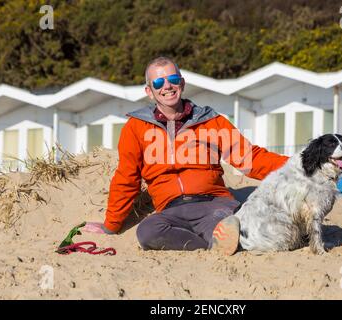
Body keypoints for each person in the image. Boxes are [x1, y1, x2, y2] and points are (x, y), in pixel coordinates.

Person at [84, 56, 289, 255]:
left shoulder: (210, 121)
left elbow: (250, 159)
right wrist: (111, 225)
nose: (167, 87)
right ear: (149, 91)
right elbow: (126, 177)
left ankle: (220, 241)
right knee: (147, 232)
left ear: (181, 83)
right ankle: (211, 247)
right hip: (171, 211)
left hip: (214, 204)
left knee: (220, 226)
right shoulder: (136, 127)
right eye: (158, 82)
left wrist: (297, 166)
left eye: (173, 79)